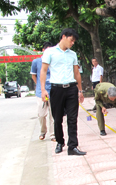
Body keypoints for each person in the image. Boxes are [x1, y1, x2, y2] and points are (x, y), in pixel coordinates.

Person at [40, 28, 87, 156]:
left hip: (71, 88)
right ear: (64, 37)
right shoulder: (50, 52)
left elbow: (76, 73)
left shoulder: (73, 54)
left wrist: (80, 90)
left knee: (72, 118)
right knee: (57, 118)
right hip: (56, 89)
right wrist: (43, 89)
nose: (72, 43)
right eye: (71, 40)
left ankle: (73, 146)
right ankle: (60, 142)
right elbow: (43, 71)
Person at [30, 41, 55, 142]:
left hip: (53, 91)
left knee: (53, 115)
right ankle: (43, 131)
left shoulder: (53, 62)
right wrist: (40, 86)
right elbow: (33, 76)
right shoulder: (36, 62)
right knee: (41, 114)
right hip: (41, 92)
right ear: (43, 50)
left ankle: (53, 134)